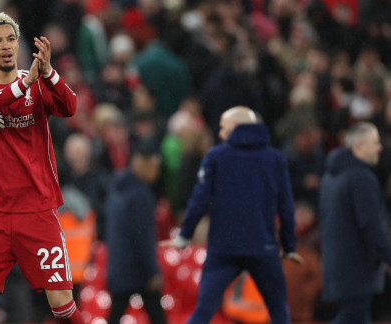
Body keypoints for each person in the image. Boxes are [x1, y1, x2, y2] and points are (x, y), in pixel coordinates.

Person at [0, 12, 82, 324]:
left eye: (11, 39)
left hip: (37, 208)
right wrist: (23, 84)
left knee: (62, 304)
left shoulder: (39, 81)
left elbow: (70, 107)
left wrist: (49, 72)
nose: (6, 45)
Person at [165, 106, 301, 324]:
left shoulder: (216, 157)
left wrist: (185, 234)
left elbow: (199, 200)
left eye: (223, 127)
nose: (219, 133)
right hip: (262, 246)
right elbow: (286, 206)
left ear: (237, 127)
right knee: (278, 309)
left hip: (223, 248)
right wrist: (289, 244)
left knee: (203, 311)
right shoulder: (274, 159)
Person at [318, 122, 391, 324]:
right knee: (353, 315)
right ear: (359, 146)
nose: (380, 148)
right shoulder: (361, 178)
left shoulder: (330, 176)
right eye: (375, 143)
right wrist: (388, 256)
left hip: (337, 262)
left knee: (356, 316)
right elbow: (372, 225)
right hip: (358, 266)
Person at [105, 140, 167, 324]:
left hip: (119, 266)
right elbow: (144, 237)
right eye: (154, 166)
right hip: (138, 270)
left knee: (116, 315)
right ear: (141, 163)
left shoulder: (117, 188)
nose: (156, 172)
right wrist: (152, 271)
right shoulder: (140, 194)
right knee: (157, 317)